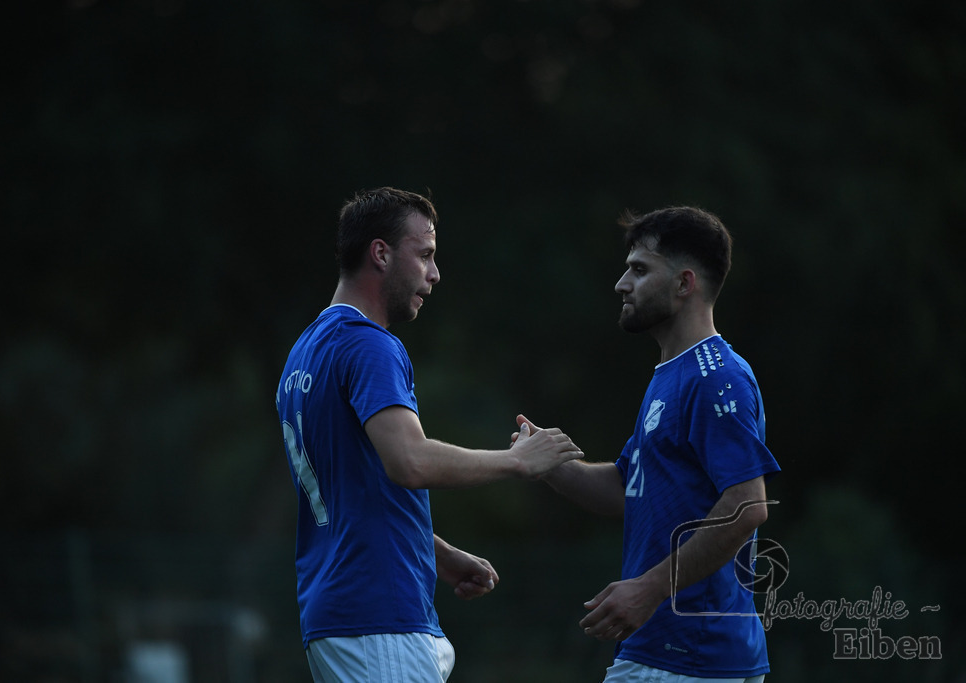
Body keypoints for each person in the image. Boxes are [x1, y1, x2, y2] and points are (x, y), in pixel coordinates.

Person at [276, 187, 584, 683]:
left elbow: (354, 486)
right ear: (381, 253)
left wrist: (435, 553)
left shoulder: (304, 353)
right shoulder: (370, 345)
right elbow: (410, 461)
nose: (434, 274)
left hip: (337, 616)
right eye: (425, 255)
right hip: (381, 616)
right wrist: (519, 461)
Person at [522, 206, 780, 682]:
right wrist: (549, 465)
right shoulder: (672, 375)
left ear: (684, 284)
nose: (622, 284)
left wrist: (650, 589)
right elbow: (628, 489)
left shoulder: (715, 376)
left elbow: (748, 507)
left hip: (688, 654)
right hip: (666, 651)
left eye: (639, 270)